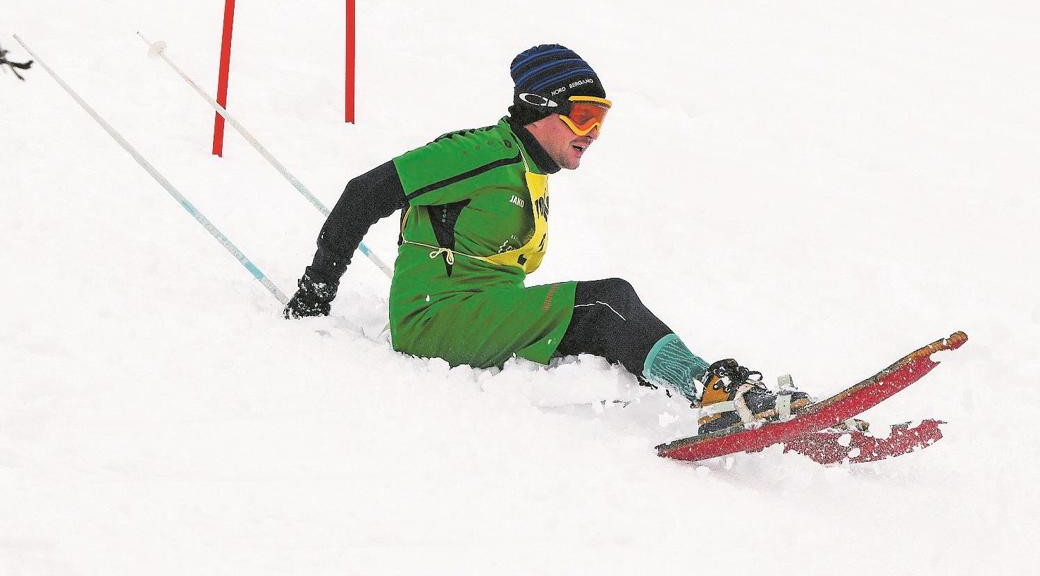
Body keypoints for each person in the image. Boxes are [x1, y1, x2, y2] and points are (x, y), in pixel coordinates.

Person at [283, 44, 808, 434]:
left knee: (608, 325)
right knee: (607, 301)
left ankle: (733, 405)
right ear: (541, 108)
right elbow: (364, 193)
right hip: (436, 319)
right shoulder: (480, 152)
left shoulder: (530, 172)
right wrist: (315, 291)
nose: (594, 133)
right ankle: (710, 392)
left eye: (601, 119)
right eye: (584, 115)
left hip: (483, 311)